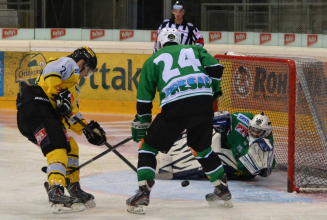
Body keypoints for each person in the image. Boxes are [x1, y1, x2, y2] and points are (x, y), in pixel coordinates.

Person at [126, 27, 231, 215]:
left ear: (159, 43)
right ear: (179, 41)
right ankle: (222, 191)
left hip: (175, 107)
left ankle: (143, 193)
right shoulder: (195, 50)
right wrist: (214, 91)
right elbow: (216, 68)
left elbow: (144, 99)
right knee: (203, 149)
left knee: (147, 147)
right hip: (203, 103)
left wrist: (143, 121)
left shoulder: (153, 60)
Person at [16, 46, 107, 214]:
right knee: (59, 147)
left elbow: (71, 113)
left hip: (30, 117)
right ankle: (56, 190)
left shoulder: (72, 88)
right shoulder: (70, 64)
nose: (86, 76)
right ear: (82, 63)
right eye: (87, 71)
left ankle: (72, 186)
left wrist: (88, 130)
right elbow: (51, 71)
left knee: (69, 146)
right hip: (38, 107)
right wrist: (59, 95)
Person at [157, 111, 275, 181]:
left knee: (211, 161)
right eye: (253, 130)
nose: (254, 133)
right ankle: (171, 150)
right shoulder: (244, 118)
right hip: (228, 152)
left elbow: (264, 169)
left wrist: (264, 168)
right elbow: (228, 117)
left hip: (235, 166)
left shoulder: (265, 144)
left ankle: (177, 164)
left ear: (266, 132)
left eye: (258, 132)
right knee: (212, 137)